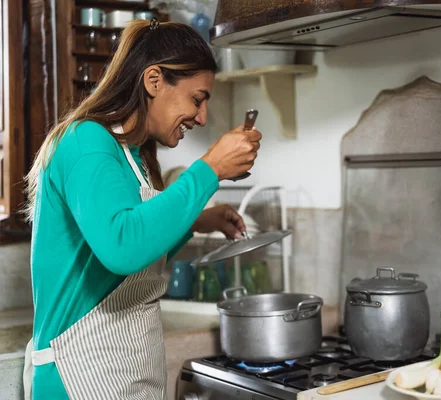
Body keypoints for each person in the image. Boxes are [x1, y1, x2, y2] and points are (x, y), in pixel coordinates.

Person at [22, 18, 262, 399]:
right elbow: (122, 246)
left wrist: (197, 222)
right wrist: (210, 169)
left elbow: (134, 241)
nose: (201, 118)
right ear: (153, 81)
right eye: (197, 99)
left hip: (122, 372)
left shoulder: (133, 156)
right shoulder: (86, 142)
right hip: (78, 374)